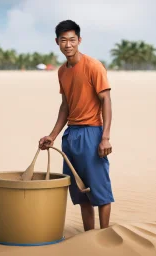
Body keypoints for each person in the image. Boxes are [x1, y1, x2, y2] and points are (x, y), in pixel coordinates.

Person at [39, 20, 114, 231]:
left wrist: (105, 137)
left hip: (92, 133)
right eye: (63, 40)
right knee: (82, 192)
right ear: (57, 42)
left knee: (100, 189)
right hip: (71, 136)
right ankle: (90, 237)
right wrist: (52, 136)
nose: (68, 44)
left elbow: (106, 100)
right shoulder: (62, 71)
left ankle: (105, 235)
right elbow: (65, 106)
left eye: (72, 39)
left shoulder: (94, 66)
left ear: (79, 40)